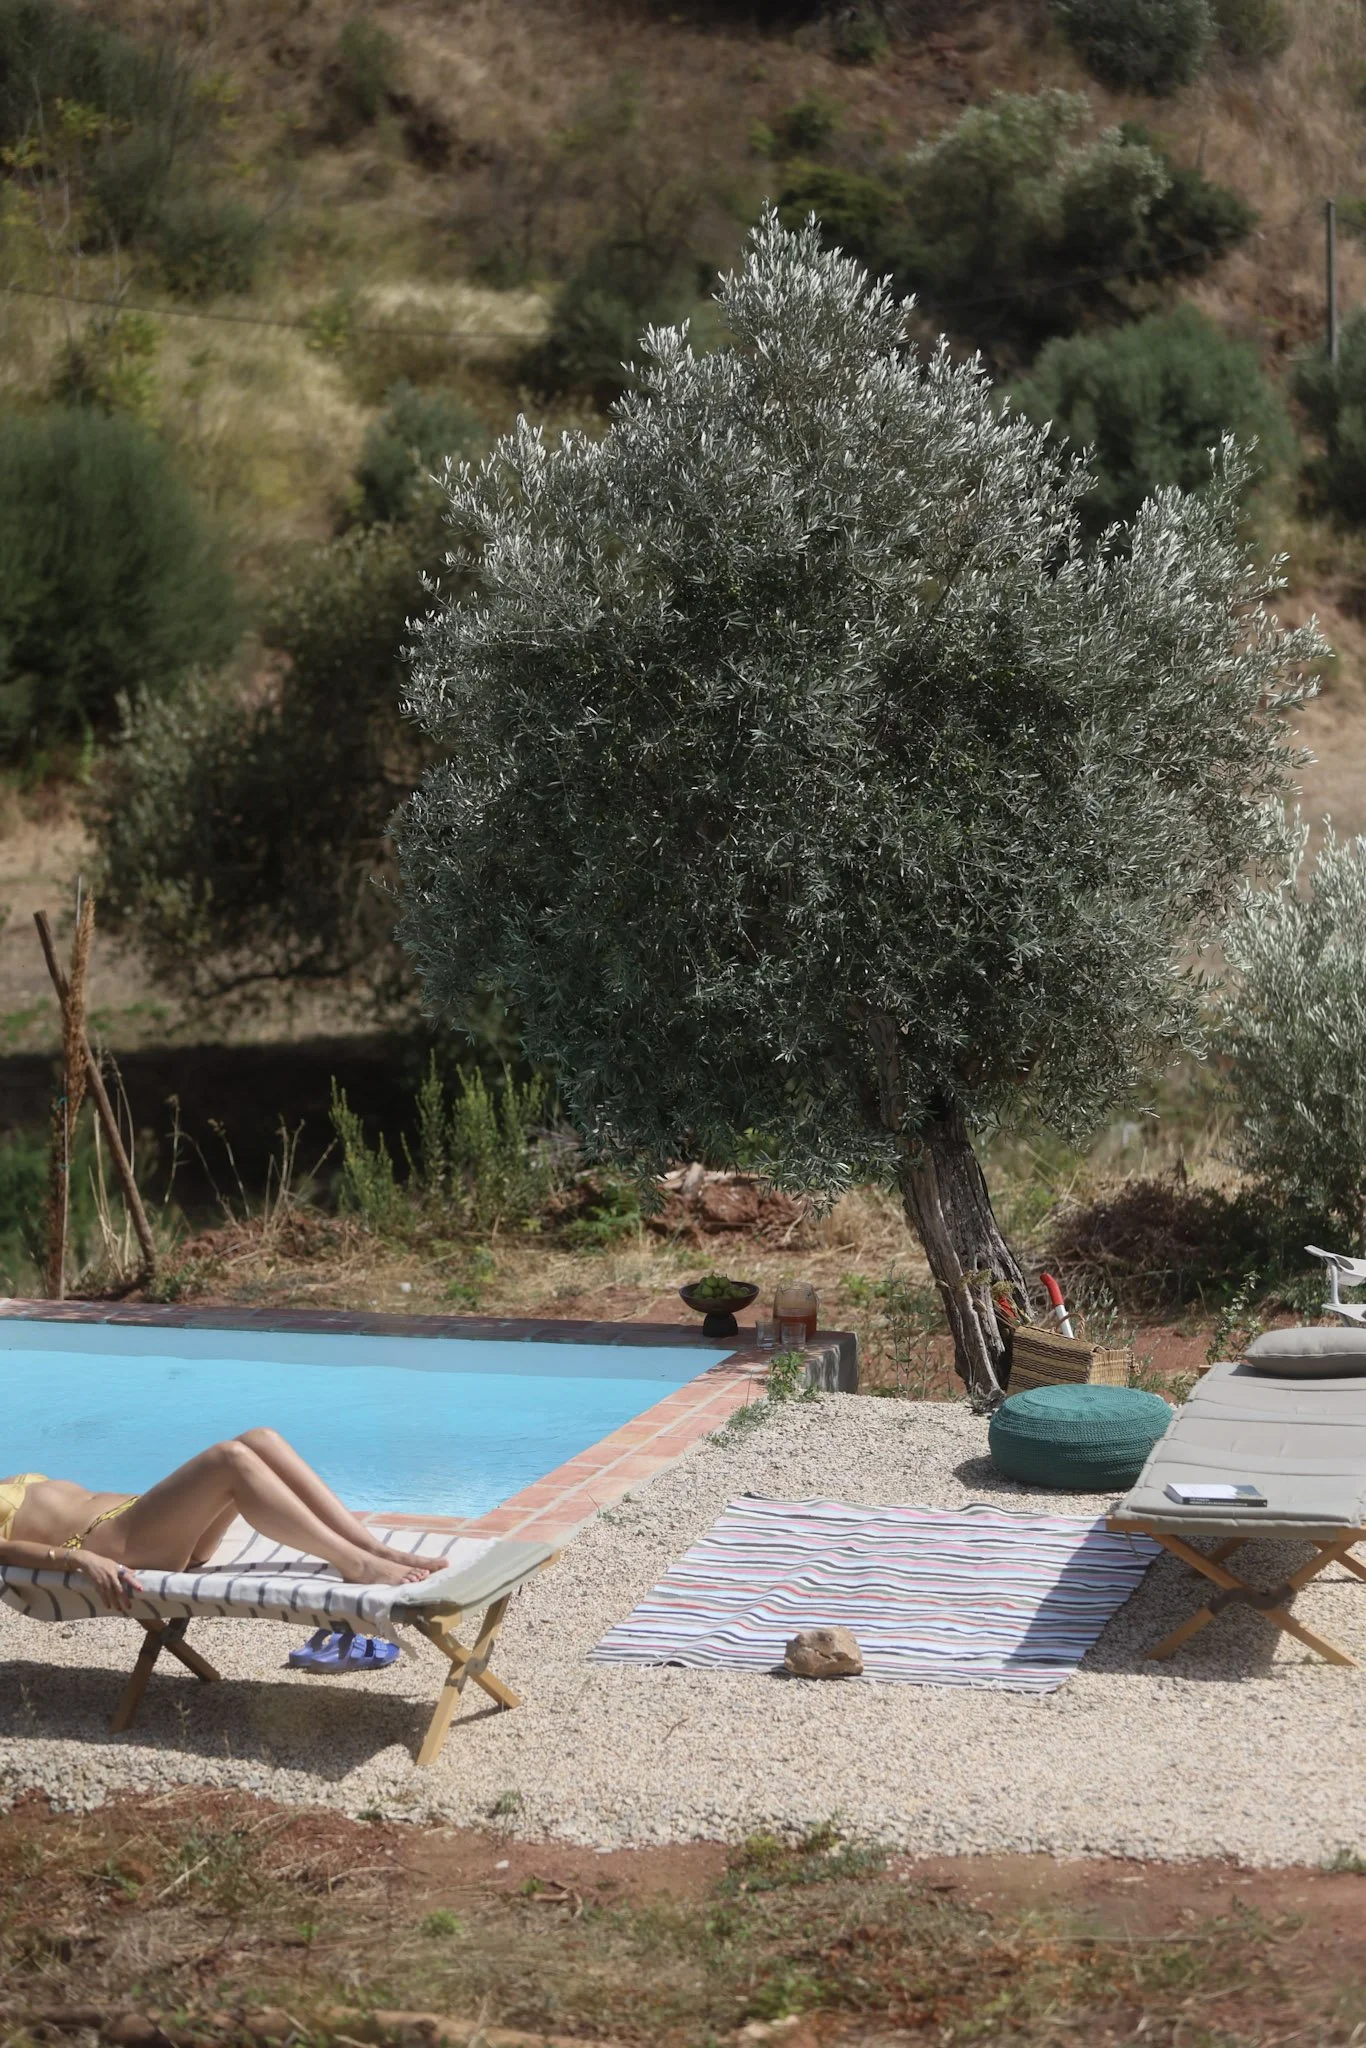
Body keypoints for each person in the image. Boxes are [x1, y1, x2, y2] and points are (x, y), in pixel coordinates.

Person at [0, 1428, 436, 1612]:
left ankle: (373, 1548)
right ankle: (356, 1565)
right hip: (115, 1545)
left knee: (258, 1439)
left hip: (146, 1526)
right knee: (230, 1459)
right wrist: (79, 1562)